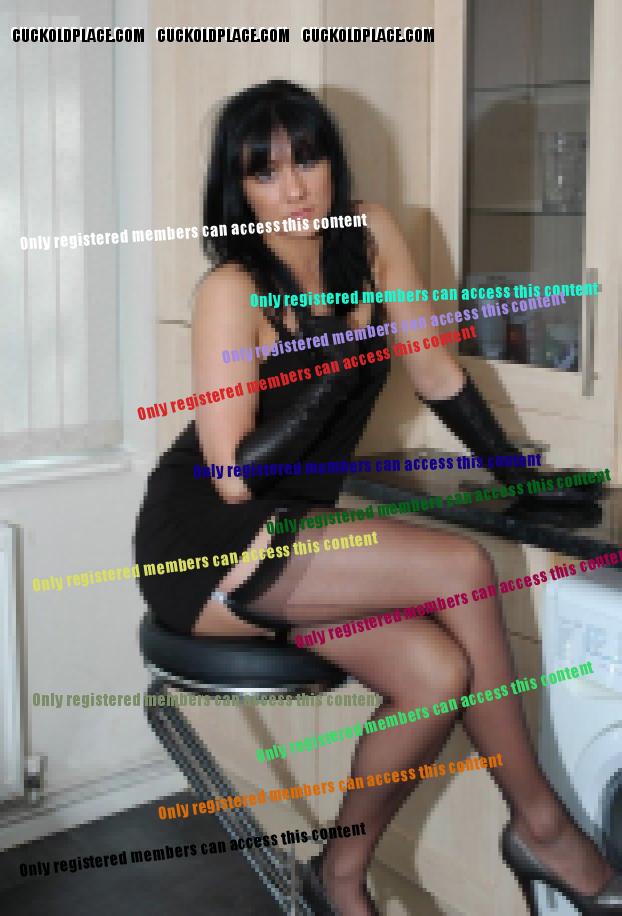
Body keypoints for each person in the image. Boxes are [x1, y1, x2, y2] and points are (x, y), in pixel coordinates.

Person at [134, 80, 621, 915]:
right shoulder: (232, 290)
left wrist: (520, 476)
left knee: (436, 673)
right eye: (265, 173)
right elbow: (232, 474)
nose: (294, 190)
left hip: (293, 535)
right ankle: (542, 825)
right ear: (237, 190)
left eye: (308, 161)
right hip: (207, 540)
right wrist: (342, 354)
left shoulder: (369, 235)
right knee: (462, 566)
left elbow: (433, 369)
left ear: (333, 162)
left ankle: (338, 876)